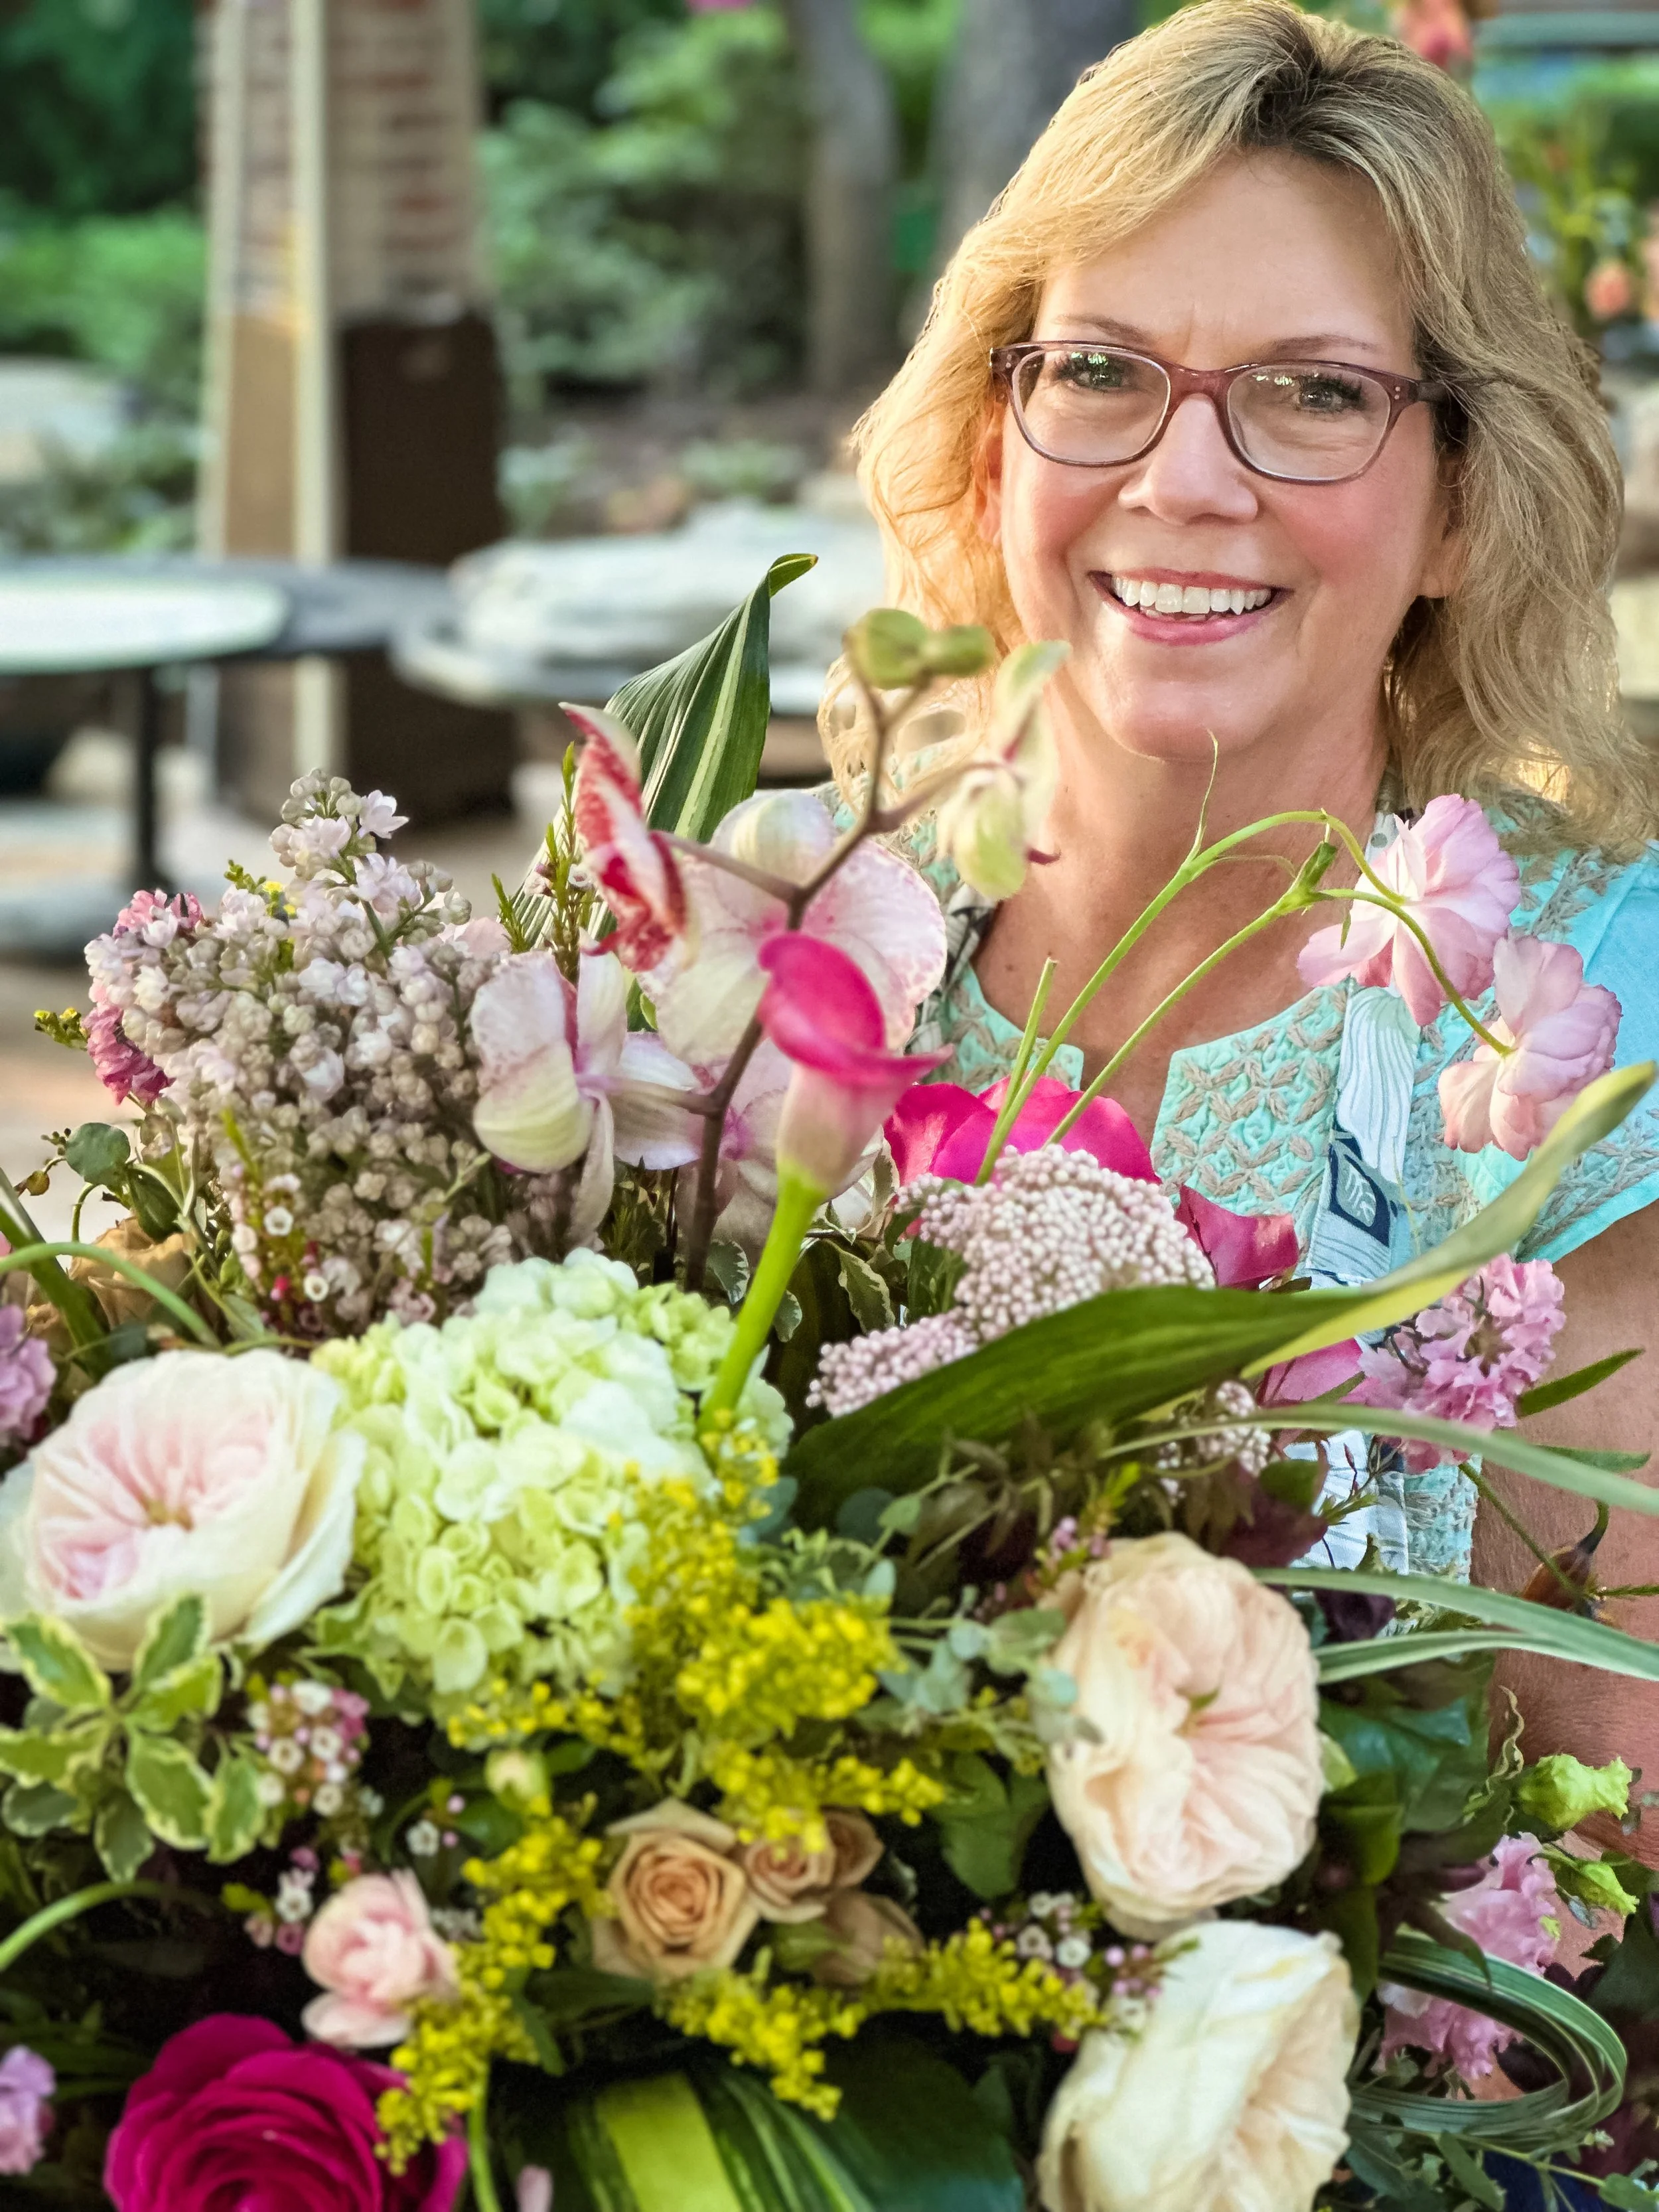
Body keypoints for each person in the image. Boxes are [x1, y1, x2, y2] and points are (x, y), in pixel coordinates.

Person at [825, 0, 1659, 1850]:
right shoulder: (778, 960)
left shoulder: (1594, 1047)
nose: (1185, 480)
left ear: (1460, 507)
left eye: (1314, 393)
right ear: (990, 444)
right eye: (1098, 369)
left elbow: (1609, 1879)